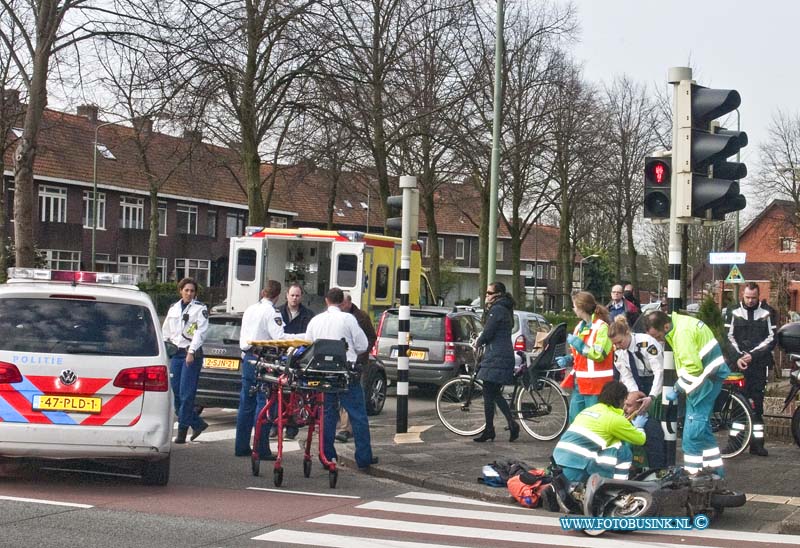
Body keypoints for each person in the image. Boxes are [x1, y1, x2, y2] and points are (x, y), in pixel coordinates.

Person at [643, 310, 731, 476]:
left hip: (705, 381)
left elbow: (693, 368)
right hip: (704, 380)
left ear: (665, 326)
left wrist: (677, 388)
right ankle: (716, 472)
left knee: (692, 435)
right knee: (702, 431)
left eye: (657, 335)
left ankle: (692, 475)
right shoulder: (680, 325)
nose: (658, 339)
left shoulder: (682, 335)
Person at [305, 287, 377, 470]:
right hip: (346, 373)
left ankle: (327, 456)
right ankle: (363, 457)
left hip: (323, 374)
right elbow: (362, 346)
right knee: (358, 415)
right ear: (341, 302)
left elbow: (308, 345)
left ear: (327, 301)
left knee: (328, 414)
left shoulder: (316, 320)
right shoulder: (349, 319)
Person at [552, 381, 646, 482]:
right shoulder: (614, 419)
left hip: (557, 462)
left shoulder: (589, 410)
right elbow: (641, 439)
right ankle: (618, 487)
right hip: (576, 468)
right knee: (623, 453)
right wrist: (638, 426)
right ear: (621, 400)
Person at [235, 280, 287, 459]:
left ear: (263, 292)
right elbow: (279, 337)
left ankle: (241, 446)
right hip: (263, 360)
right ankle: (261, 448)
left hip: (248, 358)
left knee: (245, 403)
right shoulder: (272, 312)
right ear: (277, 295)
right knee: (264, 403)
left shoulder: (250, 309)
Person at [727, 282, 776, 456]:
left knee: (757, 406)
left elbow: (771, 339)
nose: (750, 300)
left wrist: (753, 355)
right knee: (737, 406)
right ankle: (734, 443)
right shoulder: (733, 312)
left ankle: (757, 445)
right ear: (743, 294)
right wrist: (738, 357)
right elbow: (728, 337)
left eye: (753, 298)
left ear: (758, 295)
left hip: (758, 365)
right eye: (747, 297)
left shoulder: (767, 313)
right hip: (739, 364)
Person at [162, 277, 209, 444]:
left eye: (192, 291)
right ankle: (197, 423)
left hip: (191, 354)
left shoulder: (200, 309)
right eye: (186, 290)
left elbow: (200, 332)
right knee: (176, 394)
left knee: (187, 394)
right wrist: (165, 348)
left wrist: (192, 351)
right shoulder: (173, 308)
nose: (189, 293)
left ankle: (182, 432)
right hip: (176, 353)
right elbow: (166, 331)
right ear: (180, 291)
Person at [472, 282, 520, 443]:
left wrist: (478, 342)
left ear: (497, 294)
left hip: (496, 356)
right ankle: (511, 425)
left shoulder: (497, 310)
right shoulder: (505, 308)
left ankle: (490, 430)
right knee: (494, 393)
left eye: (488, 292)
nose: (486, 295)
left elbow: (488, 332)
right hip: (503, 354)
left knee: (488, 392)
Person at [558, 291, 614, 423]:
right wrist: (569, 358)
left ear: (581, 307)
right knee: (575, 420)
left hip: (597, 386)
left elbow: (599, 355)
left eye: (574, 306)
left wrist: (578, 344)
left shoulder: (602, 328)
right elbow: (580, 354)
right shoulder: (579, 327)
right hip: (581, 383)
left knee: (594, 423)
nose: (573, 309)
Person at [335, 292, 377, 443]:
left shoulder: (361, 317)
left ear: (348, 303)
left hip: (357, 363)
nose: (340, 306)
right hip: (340, 361)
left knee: (352, 395)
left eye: (342, 303)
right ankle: (345, 428)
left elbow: (371, 337)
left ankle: (345, 429)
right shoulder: (340, 317)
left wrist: (362, 354)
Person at [275, 283, 315, 439]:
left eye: (297, 295)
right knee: (277, 393)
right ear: (287, 295)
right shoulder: (277, 312)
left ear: (301, 297)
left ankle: (292, 426)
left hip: (299, 358)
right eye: (292, 295)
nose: (294, 298)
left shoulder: (309, 315)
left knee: (296, 394)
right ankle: (275, 424)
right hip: (280, 357)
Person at [608, 315, 664, 418]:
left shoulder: (646, 343)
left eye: (620, 342)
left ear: (627, 333)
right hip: (638, 381)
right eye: (615, 344)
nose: (618, 346)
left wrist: (652, 396)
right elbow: (626, 376)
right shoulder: (618, 353)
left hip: (656, 380)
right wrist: (635, 394)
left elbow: (659, 371)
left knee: (656, 415)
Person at [624, 390, 666, 470]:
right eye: (624, 404)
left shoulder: (652, 426)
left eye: (629, 405)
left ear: (641, 406)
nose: (624, 408)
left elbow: (656, 456)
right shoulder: (624, 422)